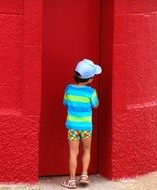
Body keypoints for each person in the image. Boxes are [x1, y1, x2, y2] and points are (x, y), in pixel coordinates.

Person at [61, 59, 102, 189]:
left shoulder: (68, 89)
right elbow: (95, 105)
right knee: (87, 150)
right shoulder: (91, 92)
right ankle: (84, 175)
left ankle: (72, 180)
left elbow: (65, 103)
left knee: (73, 153)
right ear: (90, 79)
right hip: (86, 127)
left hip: (73, 127)